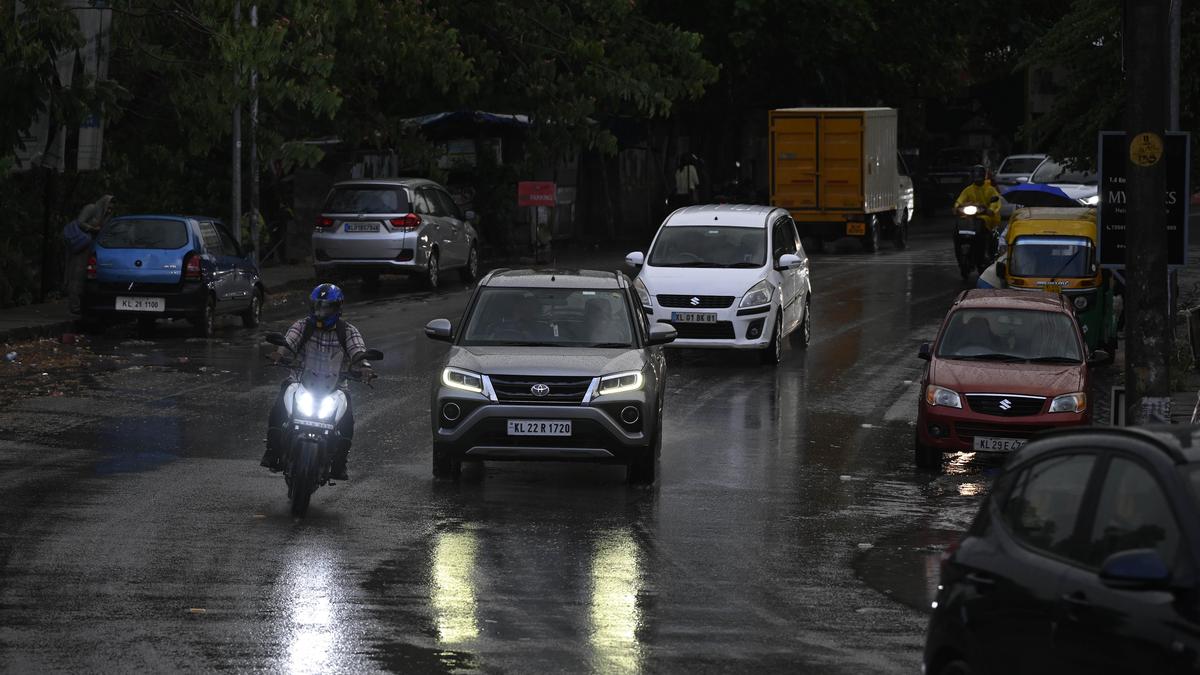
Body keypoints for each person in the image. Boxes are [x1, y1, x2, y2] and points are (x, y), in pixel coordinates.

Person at [261, 283, 375, 480]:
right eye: (317, 307)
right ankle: (272, 452)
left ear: (337, 308)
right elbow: (289, 342)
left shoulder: (348, 331)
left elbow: (358, 350)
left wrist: (364, 367)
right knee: (280, 405)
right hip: (300, 382)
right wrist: (279, 354)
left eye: (326, 307)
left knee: (347, 419)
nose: (320, 312)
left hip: (335, 387)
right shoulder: (302, 326)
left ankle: (339, 463)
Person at [63, 195, 113, 314]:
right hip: (81, 244)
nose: (110, 209)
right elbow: (80, 222)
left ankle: (81, 304)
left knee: (86, 275)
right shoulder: (91, 208)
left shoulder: (105, 216)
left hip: (91, 247)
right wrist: (92, 228)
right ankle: (74, 305)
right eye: (108, 207)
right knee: (76, 275)